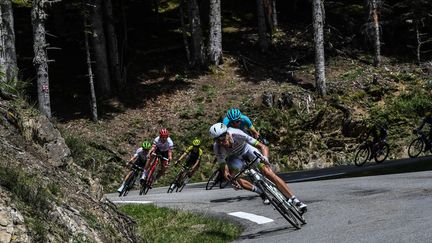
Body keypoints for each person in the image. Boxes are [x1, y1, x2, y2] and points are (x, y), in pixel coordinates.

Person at [209, 122, 307, 212]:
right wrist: (231, 180)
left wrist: (265, 158)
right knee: (234, 177)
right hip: (235, 158)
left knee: (268, 172)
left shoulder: (237, 134)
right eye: (217, 140)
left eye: (222, 138)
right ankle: (260, 192)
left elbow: (263, 146)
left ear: (227, 133)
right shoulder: (217, 147)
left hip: (247, 150)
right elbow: (224, 168)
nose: (221, 142)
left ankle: (295, 200)